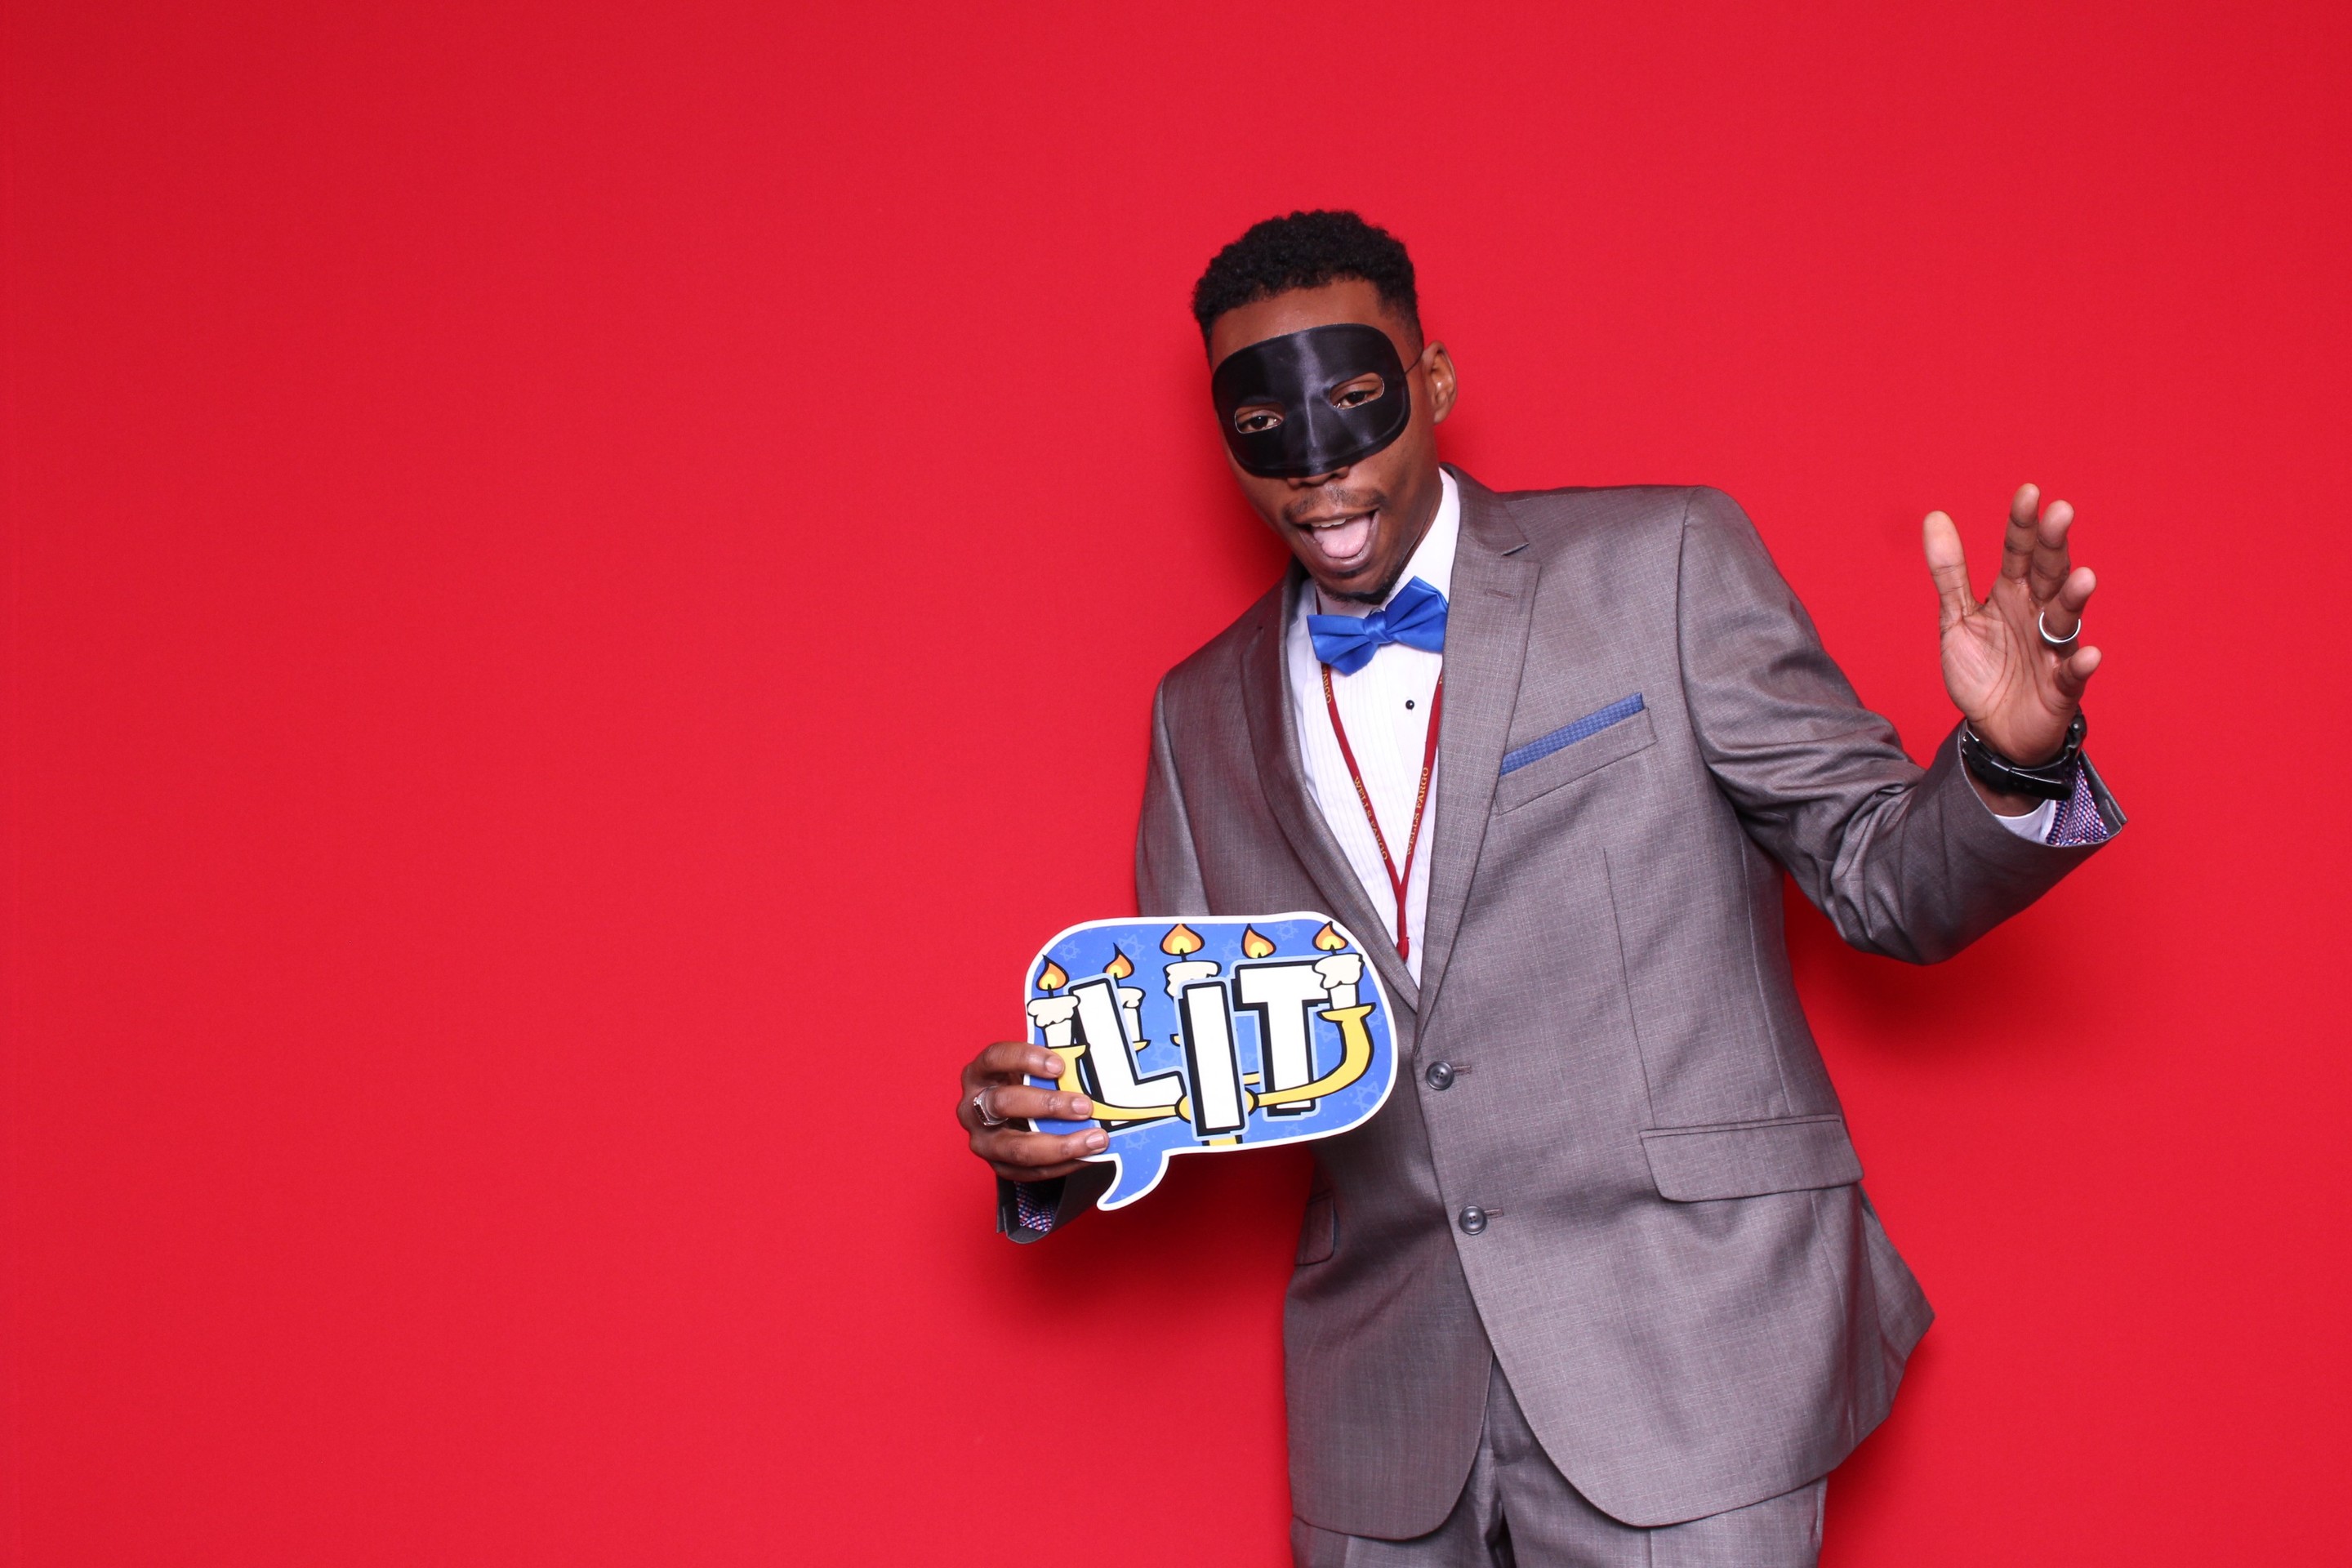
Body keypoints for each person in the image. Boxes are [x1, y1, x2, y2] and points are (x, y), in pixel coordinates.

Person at [953, 211, 2122, 1567]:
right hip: (1388, 1411)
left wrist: (2009, 761)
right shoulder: (1196, 714)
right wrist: (1058, 1139)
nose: (1317, 463)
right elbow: (1203, 1066)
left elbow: (1882, 883)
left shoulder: (1661, 564)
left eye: (1354, 402)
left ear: (1435, 381)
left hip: (1688, 1359)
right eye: (1263, 425)